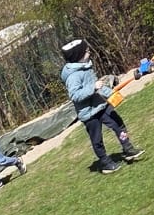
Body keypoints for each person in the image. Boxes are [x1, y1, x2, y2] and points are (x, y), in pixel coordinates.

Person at [60, 38, 144, 173]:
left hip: (101, 105)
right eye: (86, 51)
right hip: (89, 113)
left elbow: (98, 86)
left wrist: (111, 94)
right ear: (78, 55)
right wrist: (93, 87)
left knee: (118, 124)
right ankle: (105, 162)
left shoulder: (87, 66)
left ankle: (128, 149)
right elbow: (75, 96)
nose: (89, 52)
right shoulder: (72, 76)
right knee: (97, 139)